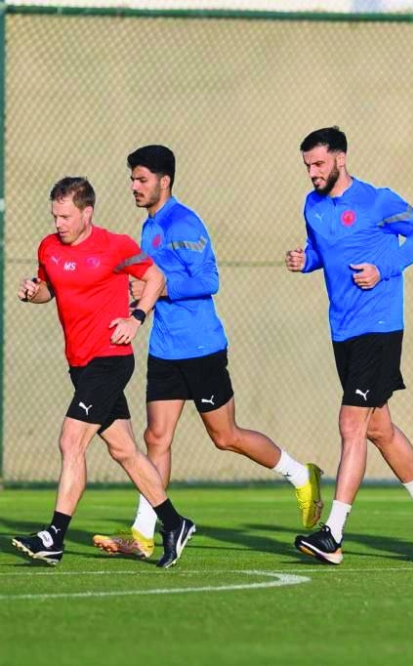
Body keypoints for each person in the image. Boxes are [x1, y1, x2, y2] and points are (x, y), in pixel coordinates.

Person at [92, 145, 323, 561]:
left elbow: (208, 279)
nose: (134, 187)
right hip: (165, 347)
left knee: (225, 436)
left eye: (141, 179)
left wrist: (160, 287)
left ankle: (299, 474)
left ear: (164, 181)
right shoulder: (150, 227)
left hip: (201, 347)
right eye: (132, 179)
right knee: (156, 437)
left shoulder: (183, 222)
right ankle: (144, 532)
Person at [285, 126, 413, 565]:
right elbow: (325, 251)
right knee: (378, 428)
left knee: (351, 425)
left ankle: (333, 534)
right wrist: (306, 261)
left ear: (341, 158)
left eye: (319, 164)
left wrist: (382, 268)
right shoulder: (312, 205)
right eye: (307, 166)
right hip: (342, 328)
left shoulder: (378, 200)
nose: (313, 173)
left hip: (378, 325)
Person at [12, 177, 195, 568]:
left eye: (65, 216)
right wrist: (33, 292)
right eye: (54, 215)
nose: (58, 222)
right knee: (124, 450)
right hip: (79, 364)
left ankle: (54, 536)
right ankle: (174, 523)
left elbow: (155, 278)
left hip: (110, 358)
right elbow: (50, 289)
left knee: (71, 440)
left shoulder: (116, 247)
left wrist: (136, 317)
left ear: (86, 212)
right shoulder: (48, 247)